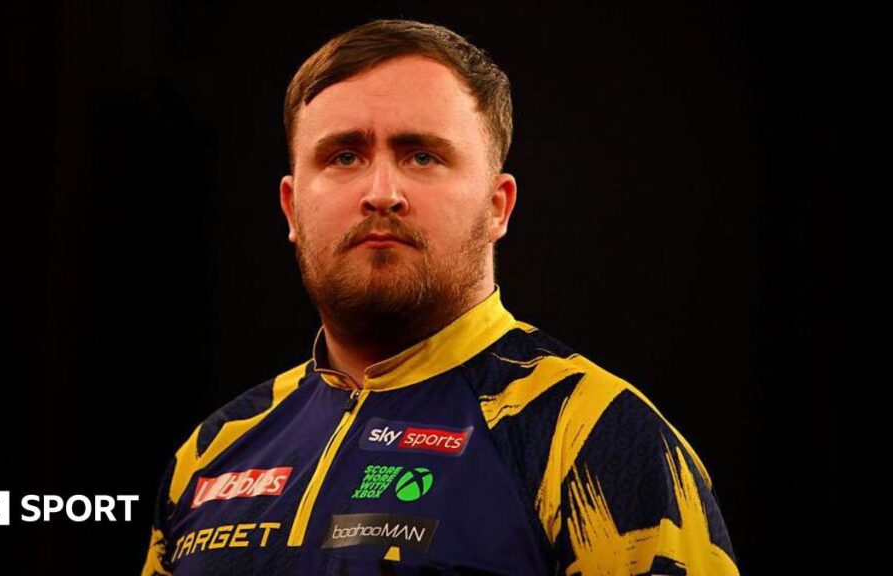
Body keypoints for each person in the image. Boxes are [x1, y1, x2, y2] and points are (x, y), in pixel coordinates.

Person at [141, 18, 739, 576]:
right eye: (344, 155)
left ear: (498, 205)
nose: (382, 192)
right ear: (292, 207)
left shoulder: (592, 435)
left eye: (421, 155)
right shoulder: (211, 453)